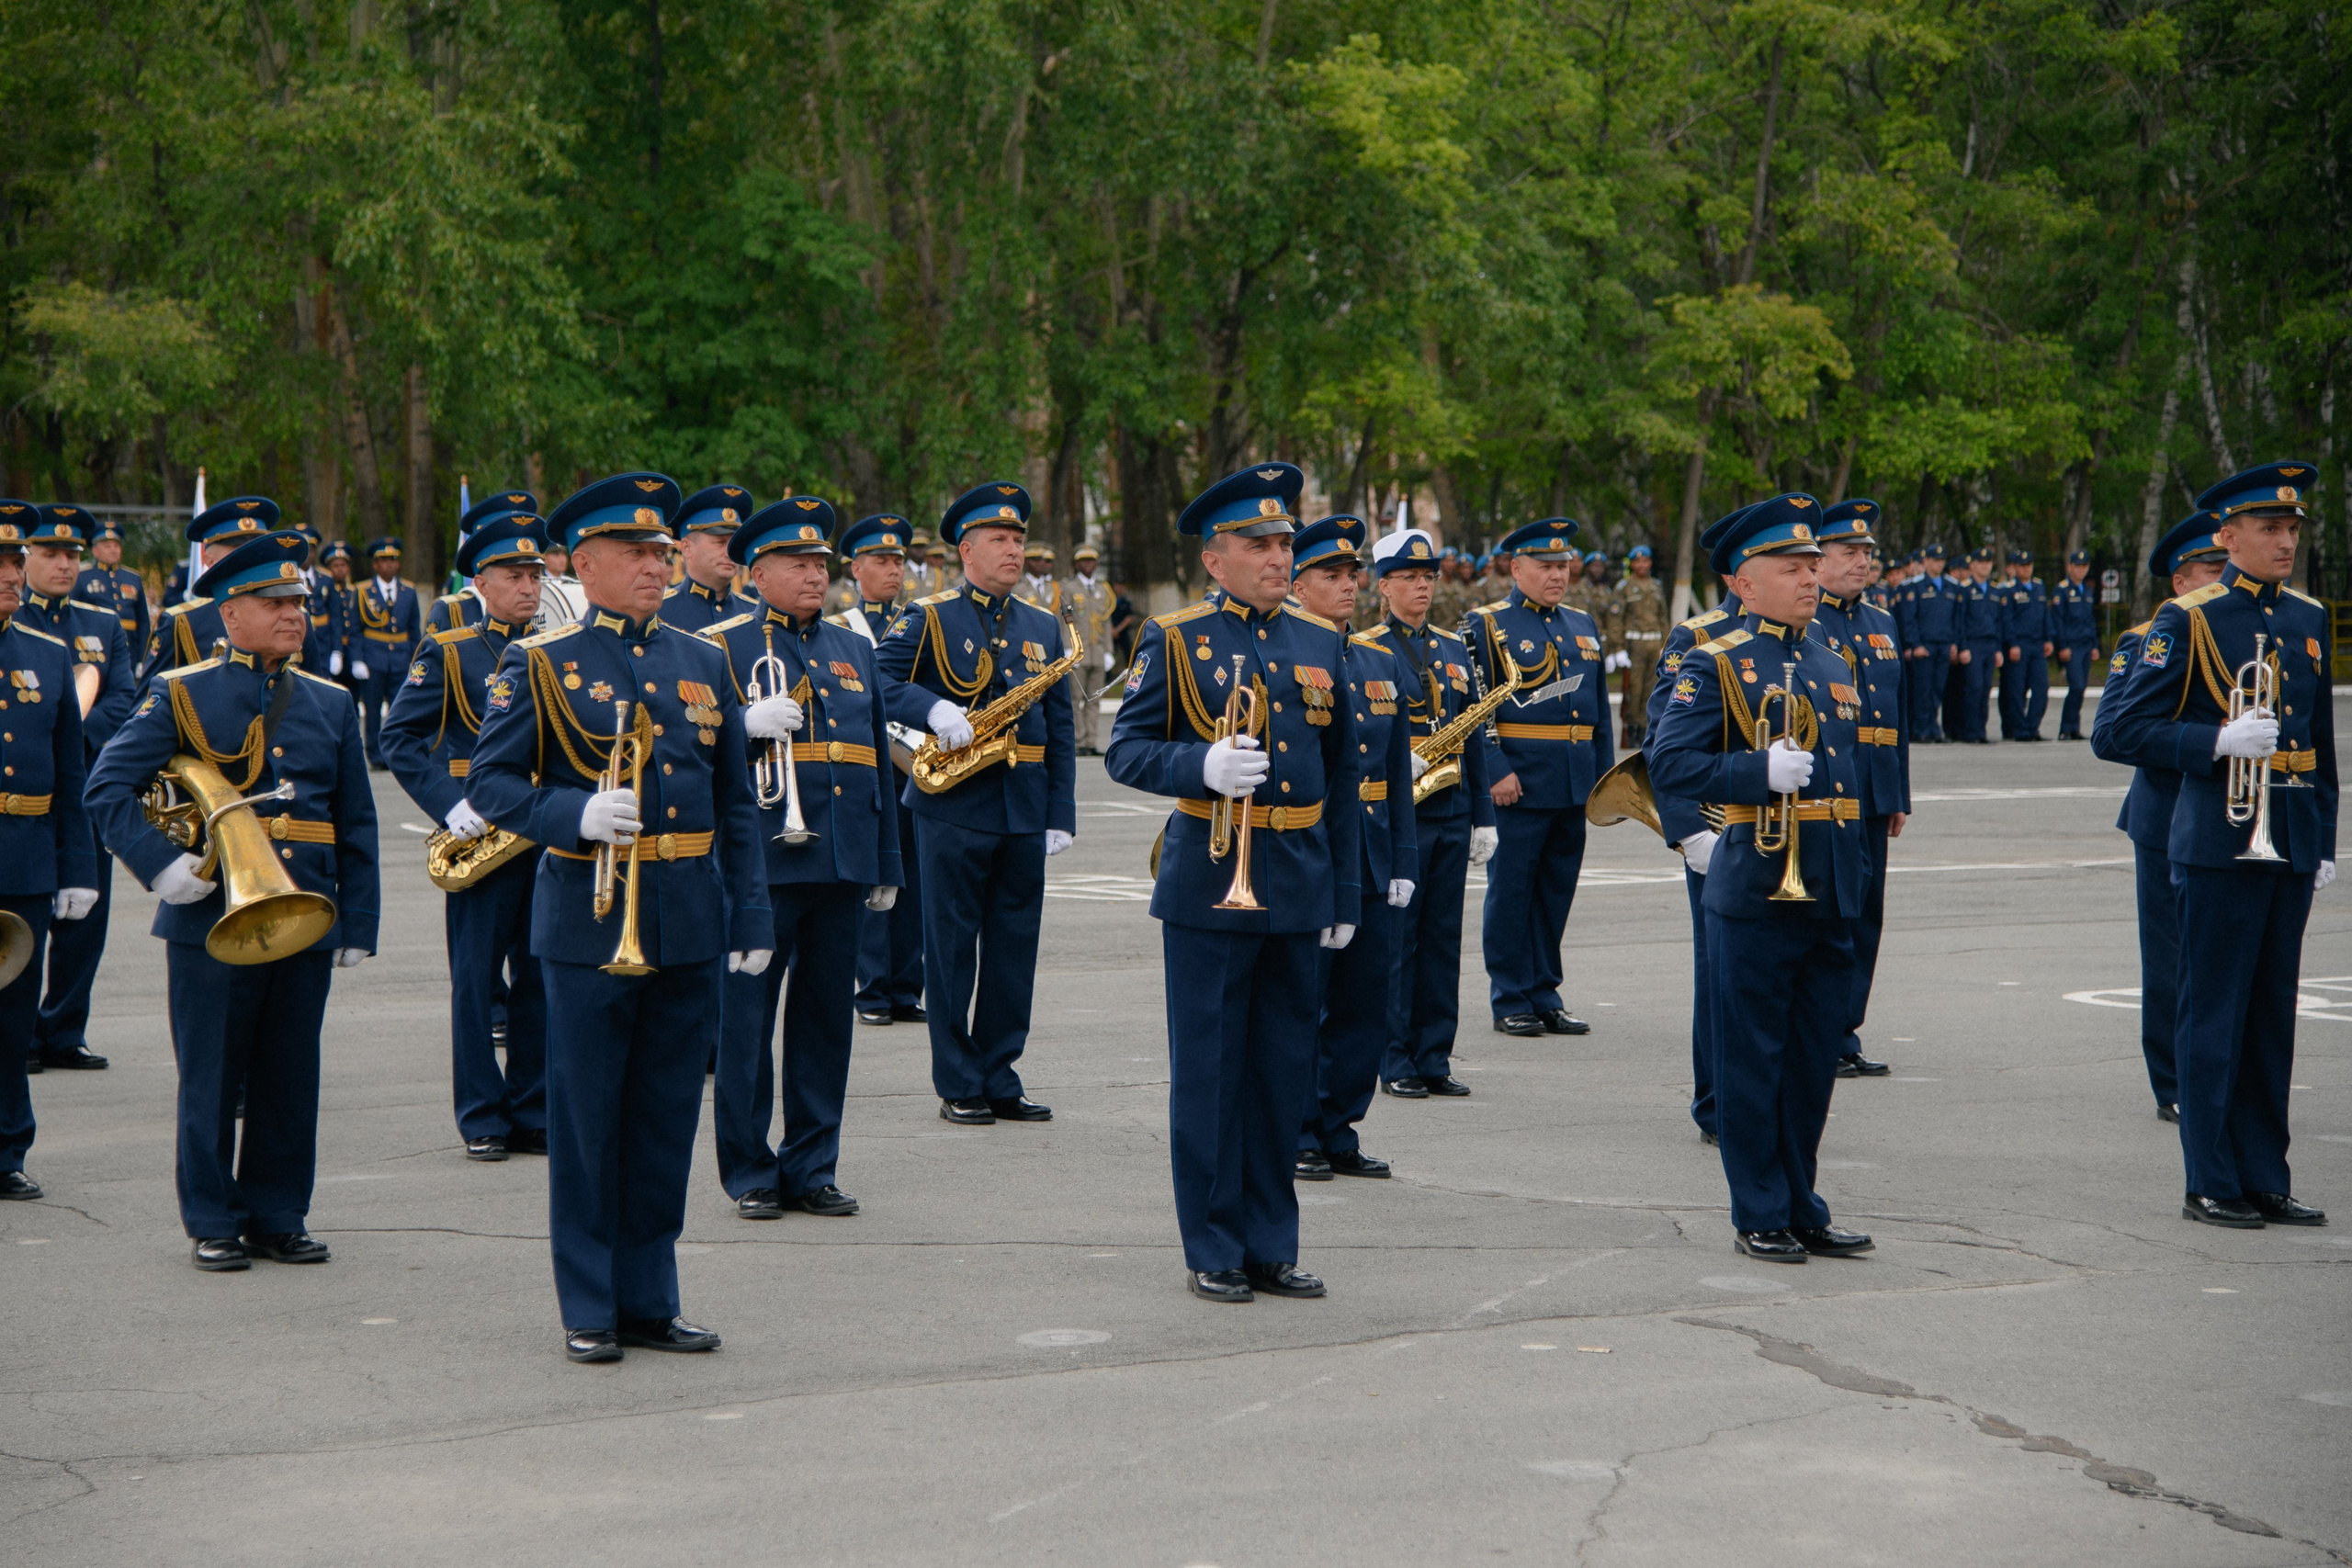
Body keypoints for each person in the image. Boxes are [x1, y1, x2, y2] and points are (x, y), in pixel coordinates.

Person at [468, 472, 770, 1362]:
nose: (654, 566)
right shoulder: (541, 662)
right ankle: (590, 1303)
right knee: (590, 1120)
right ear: (586, 563)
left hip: (685, 917)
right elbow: (490, 782)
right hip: (588, 925)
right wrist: (570, 816)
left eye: (661, 552)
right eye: (635, 554)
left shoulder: (702, 659)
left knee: (666, 1116)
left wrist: (750, 915)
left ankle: (651, 1296)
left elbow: (736, 806)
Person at [86, 526, 379, 1269]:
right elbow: (107, 789)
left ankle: (278, 1211)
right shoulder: (180, 692)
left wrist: (358, 918)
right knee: (213, 1073)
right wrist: (160, 866)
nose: (292, 613)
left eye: (298, 600)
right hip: (210, 912)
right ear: (229, 612)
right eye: (273, 600)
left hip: (304, 909)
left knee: (289, 1074)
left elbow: (355, 823)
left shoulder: (330, 702)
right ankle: (213, 1216)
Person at [1104, 461, 1359, 1303]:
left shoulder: (1322, 641)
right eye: (1260, 544)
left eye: (1286, 541)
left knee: (1283, 1071)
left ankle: (1270, 1244)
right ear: (1216, 558)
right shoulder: (1175, 639)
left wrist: (1345, 896)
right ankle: (1213, 1245)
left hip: (1297, 878)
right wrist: (1200, 764)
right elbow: (1125, 750)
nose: (1280, 556)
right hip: (1210, 880)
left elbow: (1342, 783)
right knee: (1212, 1073)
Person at [2100, 463, 2335, 1230]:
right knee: (2212, 1012)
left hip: (2290, 836)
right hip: (2217, 839)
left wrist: (2324, 837)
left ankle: (2266, 1173)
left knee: (2272, 1016)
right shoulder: (2190, 618)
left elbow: (2321, 746)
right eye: (2269, 529)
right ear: (2226, 537)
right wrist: (2216, 739)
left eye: (2292, 529)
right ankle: (2210, 1177)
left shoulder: (2307, 617)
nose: (2285, 542)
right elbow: (2118, 732)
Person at [1647, 493, 1874, 1263]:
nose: (1811, 577)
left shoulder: (1829, 660)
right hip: (1757, 886)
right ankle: (1760, 1210)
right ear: (1744, 582)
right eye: (1792, 566)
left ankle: (1802, 1200)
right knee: (1753, 1061)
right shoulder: (1714, 662)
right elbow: (1669, 762)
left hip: (1830, 885)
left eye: (1814, 564)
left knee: (1811, 1062)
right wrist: (1754, 771)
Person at [704, 499, 902, 1222]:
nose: (816, 575)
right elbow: (683, 751)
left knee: (826, 1023)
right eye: (798, 564)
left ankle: (813, 1162)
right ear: (757, 573)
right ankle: (751, 1168)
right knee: (746, 1024)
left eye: (821, 564)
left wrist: (886, 862)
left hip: (841, 861)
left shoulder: (853, 649)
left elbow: (877, 760)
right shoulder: (719, 647)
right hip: (760, 863)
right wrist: (739, 727)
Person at [875, 482, 1075, 1126]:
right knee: (953, 948)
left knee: (1016, 949)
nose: (1015, 550)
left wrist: (1060, 813)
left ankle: (1001, 1072)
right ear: (967, 548)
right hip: (953, 804)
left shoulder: (1044, 625)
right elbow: (875, 680)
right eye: (1001, 539)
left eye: (1019, 539)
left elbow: (1062, 727)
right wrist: (931, 707)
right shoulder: (929, 616)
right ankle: (958, 1079)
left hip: (1022, 809)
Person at [379, 512, 550, 1162]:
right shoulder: (451, 650)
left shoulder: (554, 650)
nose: (529, 587)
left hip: (544, 833)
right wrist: (448, 805)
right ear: (481, 581)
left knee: (539, 979)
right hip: (478, 836)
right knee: (476, 982)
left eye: (535, 574)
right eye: (514, 575)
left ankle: (533, 1108)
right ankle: (482, 1114)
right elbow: (398, 738)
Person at [2090, 512, 2228, 1122]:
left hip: (2233, 814)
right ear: (2180, 581)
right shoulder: (2148, 636)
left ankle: (2225, 1073)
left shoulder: (2250, 628)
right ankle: (2172, 1080)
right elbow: (2113, 735)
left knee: (2226, 956)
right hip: (2167, 812)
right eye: (2213, 570)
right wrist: (2209, 740)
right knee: (2171, 957)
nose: (2224, 578)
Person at [1286, 517, 1413, 1177]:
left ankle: (1340, 1124)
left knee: (1366, 1001)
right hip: (1310, 850)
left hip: (1371, 853)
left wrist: (1404, 863)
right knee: (1306, 996)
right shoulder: (1286, 657)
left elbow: (1395, 774)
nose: (1348, 586)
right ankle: (1300, 1127)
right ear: (1298, 585)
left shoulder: (1379, 660)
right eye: (1330, 577)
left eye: (1352, 575)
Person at [1465, 519, 1613, 1037]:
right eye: (1547, 566)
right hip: (1519, 784)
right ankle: (1509, 996)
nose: (1558, 575)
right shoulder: (1485, 624)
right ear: (1516, 567)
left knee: (1555, 892)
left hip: (1573, 783)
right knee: (1511, 893)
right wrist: (1495, 768)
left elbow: (1598, 714)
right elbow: (1475, 708)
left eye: (1564, 565)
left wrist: (1603, 780)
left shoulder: (1582, 624)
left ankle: (1545, 991)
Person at [1365, 528, 1490, 1099]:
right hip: (1400, 811)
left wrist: (1484, 815)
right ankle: (1394, 1058)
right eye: (1409, 578)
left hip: (1451, 806)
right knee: (1399, 939)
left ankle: (1434, 1054)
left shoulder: (1452, 646)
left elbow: (1477, 739)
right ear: (1383, 585)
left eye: (1428, 577)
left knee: (1443, 938)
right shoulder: (1365, 647)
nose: (1422, 586)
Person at [1644, 504, 1755, 1145]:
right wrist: (1690, 833)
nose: (1811, 576)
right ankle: (1718, 1102)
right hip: (1719, 832)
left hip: (1797, 834)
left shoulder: (1815, 640)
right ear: (1742, 575)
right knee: (1722, 968)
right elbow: (1664, 740)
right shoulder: (1699, 637)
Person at [0, 505, 100, 1201]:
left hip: (26, 860)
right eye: (0, 567)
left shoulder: (49, 653)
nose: (10, 577)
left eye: (13, 565)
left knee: (11, 1017)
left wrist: (78, 870)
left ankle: (7, 1147)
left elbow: (72, 778)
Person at [17, 506, 134, 1073]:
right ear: (25, 560)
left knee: (86, 920)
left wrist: (74, 735)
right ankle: (23, 1035)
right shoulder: (14, 621)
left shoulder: (102, 623)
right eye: (50, 554)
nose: (64, 565)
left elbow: (123, 698)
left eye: (72, 556)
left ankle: (64, 1027)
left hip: (85, 784)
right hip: (31, 791)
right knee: (30, 916)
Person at [1807, 500, 1906, 1079]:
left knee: (1868, 913)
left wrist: (1898, 795)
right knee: (1833, 909)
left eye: (1867, 553)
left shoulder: (1882, 621)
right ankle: (1821, 1028)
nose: (1862, 562)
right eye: (1849, 553)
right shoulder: (1805, 620)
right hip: (1830, 786)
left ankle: (1845, 1031)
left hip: (1875, 787)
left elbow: (1897, 719)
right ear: (1817, 562)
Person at [831, 513, 927, 1028]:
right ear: (856, 569)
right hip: (871, 766)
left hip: (920, 768)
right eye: (881, 562)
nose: (893, 571)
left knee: (916, 882)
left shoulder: (918, 619)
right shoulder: (844, 626)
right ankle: (871, 989)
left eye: (898, 561)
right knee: (876, 880)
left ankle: (907, 987)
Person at [142, 495, 282, 686]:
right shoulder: (181, 622)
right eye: (237, 549)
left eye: (257, 548)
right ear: (208, 561)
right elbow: (149, 702)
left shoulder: (295, 616)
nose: (250, 557)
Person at [425, 491, 537, 637]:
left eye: (535, 576)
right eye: (514, 577)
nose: (528, 590)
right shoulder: (452, 611)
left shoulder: (533, 603)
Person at [352, 538, 419, 766]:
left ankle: (399, 753)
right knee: (372, 710)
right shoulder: (362, 591)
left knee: (400, 710)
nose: (389, 565)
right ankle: (376, 755)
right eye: (383, 561)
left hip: (401, 658)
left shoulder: (408, 591)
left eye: (393, 560)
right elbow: (355, 630)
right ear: (375, 565)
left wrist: (416, 660)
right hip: (373, 659)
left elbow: (413, 629)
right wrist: (357, 659)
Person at [657, 485, 757, 633]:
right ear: (687, 547)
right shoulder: (658, 612)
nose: (729, 553)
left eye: (733, 544)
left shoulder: (755, 614)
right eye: (720, 543)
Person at [1608, 545, 1668, 746]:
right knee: (1634, 689)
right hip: (1634, 643)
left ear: (1650, 562)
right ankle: (1632, 729)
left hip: (1654, 641)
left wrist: (1666, 643)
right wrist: (1618, 649)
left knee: (1652, 689)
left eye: (1645, 561)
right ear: (1632, 564)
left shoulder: (1656, 586)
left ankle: (1645, 729)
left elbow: (1663, 617)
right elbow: (1615, 619)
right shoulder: (1624, 586)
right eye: (1638, 561)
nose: (1642, 564)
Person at [1062, 543, 1115, 756]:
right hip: (1078, 651)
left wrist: (1109, 650)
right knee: (1076, 700)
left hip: (1098, 651)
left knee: (1094, 699)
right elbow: (1064, 620)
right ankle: (1078, 741)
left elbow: (1106, 621)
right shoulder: (1068, 587)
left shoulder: (1103, 590)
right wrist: (1068, 648)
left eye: (1091, 560)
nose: (1088, 564)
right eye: (1084, 561)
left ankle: (1091, 741)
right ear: (1076, 564)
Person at [1901, 545, 1953, 743]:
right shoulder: (1916, 586)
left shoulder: (1950, 586)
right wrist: (1915, 644)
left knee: (1937, 689)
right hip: (1925, 645)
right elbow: (1910, 619)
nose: (1939, 563)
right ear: (1927, 562)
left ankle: (1933, 727)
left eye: (1942, 560)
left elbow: (1954, 618)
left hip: (1943, 644)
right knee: (1923, 690)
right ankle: (1921, 729)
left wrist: (1954, 642)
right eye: (1935, 560)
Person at [1996, 550, 2052, 740]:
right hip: (2019, 644)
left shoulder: (2038, 586)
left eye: (2029, 564)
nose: (2026, 568)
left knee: (2041, 687)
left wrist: (2048, 638)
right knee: (2016, 689)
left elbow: (2045, 614)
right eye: (2022, 565)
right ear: (2016, 567)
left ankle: (2032, 727)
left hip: (2037, 644)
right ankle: (2019, 729)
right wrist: (2012, 643)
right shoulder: (2009, 589)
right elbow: (2007, 619)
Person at [78, 513, 151, 653]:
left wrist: (143, 657)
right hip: (95, 646)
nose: (113, 549)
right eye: (107, 546)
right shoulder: (82, 577)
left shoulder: (133, 578)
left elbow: (143, 622)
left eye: (116, 545)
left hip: (130, 647)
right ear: (95, 551)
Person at [1950, 547, 2000, 744]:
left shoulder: (1995, 590)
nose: (1985, 566)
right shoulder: (1965, 589)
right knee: (1974, 687)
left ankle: (1981, 729)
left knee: (1986, 688)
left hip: (1989, 644)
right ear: (1973, 565)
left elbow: (1998, 622)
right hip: (1973, 644)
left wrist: (1997, 649)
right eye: (1981, 563)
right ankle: (1970, 730)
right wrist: (1963, 647)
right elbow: (1959, 621)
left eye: (1988, 563)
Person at [2050, 549, 2098, 739]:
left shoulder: (2087, 590)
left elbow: (2090, 619)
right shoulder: (2061, 590)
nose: (2081, 570)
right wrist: (2062, 646)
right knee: (2076, 685)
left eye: (2084, 566)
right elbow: (2058, 620)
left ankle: (2073, 728)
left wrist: (2095, 645)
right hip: (2072, 645)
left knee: (2082, 687)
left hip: (2086, 644)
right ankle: (2065, 728)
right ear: (2070, 567)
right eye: (2077, 566)